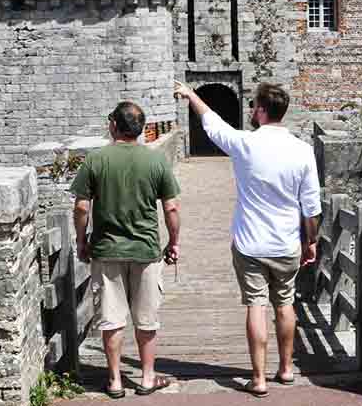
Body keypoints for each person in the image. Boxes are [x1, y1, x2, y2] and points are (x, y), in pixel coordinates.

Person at [173, 81, 320, 398]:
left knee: (256, 305)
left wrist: (191, 95)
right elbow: (311, 208)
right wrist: (311, 242)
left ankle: (258, 378)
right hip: (285, 243)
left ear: (263, 111)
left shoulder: (244, 144)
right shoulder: (303, 151)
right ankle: (286, 368)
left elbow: (212, 124)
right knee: (285, 303)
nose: (251, 110)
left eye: (254, 106)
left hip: (250, 243)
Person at [69, 101, 181, 399]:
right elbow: (171, 208)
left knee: (112, 318)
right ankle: (146, 378)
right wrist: (173, 242)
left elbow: (81, 207)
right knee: (146, 319)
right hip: (145, 251)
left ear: (115, 126)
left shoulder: (96, 160)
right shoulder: (155, 160)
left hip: (107, 251)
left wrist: (81, 241)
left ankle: (116, 381)